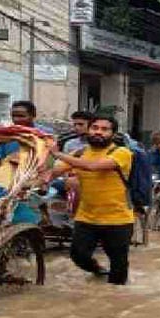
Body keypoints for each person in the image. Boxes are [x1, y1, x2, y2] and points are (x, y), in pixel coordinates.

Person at [49, 116, 134, 285]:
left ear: (113, 134)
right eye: (95, 127)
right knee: (78, 255)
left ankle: (115, 299)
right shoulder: (80, 153)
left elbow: (92, 167)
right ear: (89, 130)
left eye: (104, 129)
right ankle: (98, 270)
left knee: (118, 263)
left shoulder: (121, 153)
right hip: (86, 217)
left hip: (118, 219)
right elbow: (54, 172)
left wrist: (58, 153)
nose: (98, 132)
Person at [0, 100, 55, 172]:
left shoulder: (45, 134)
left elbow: (51, 159)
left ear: (33, 116)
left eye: (21, 116)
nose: (16, 119)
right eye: (13, 116)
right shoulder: (5, 134)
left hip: (38, 174)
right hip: (10, 173)